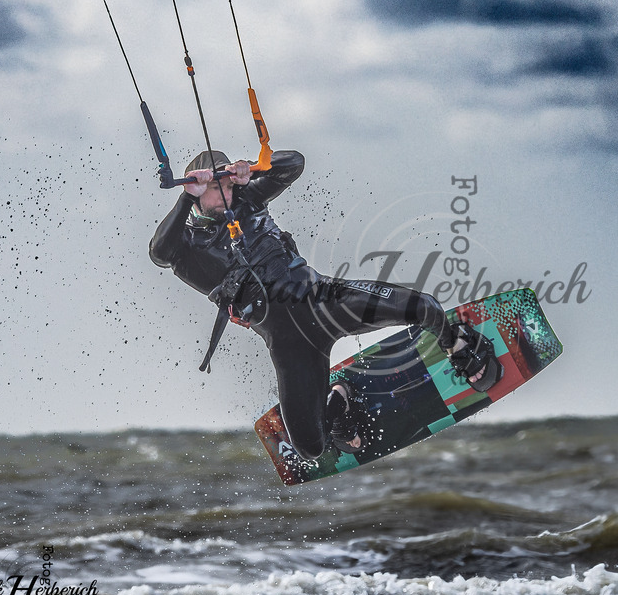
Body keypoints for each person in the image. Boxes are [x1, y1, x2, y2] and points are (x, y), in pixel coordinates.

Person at [150, 149, 502, 461]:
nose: (227, 193)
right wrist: (185, 197)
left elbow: (294, 164)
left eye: (228, 185)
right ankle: (338, 398)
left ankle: (456, 343)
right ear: (195, 190)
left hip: (324, 300)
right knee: (311, 448)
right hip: (288, 342)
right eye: (216, 187)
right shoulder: (186, 248)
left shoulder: (249, 199)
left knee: (425, 308)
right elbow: (158, 254)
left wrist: (250, 169)